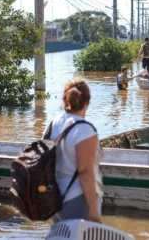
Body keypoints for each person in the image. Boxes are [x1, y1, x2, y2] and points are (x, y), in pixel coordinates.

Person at [44, 77, 103, 223]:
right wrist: (94, 209)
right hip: (77, 199)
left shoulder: (53, 124)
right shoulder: (85, 130)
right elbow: (85, 171)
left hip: (54, 198)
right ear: (88, 102)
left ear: (64, 100)